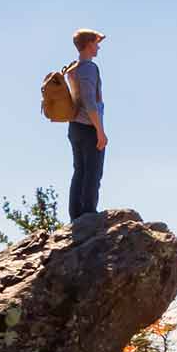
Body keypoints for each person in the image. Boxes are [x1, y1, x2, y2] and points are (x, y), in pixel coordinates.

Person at [67, 29, 108, 219]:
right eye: (96, 42)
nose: (98, 46)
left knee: (79, 171)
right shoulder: (89, 68)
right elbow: (90, 102)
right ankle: (89, 214)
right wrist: (100, 131)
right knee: (93, 171)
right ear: (89, 44)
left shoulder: (72, 69)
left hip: (74, 126)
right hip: (88, 126)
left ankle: (76, 216)